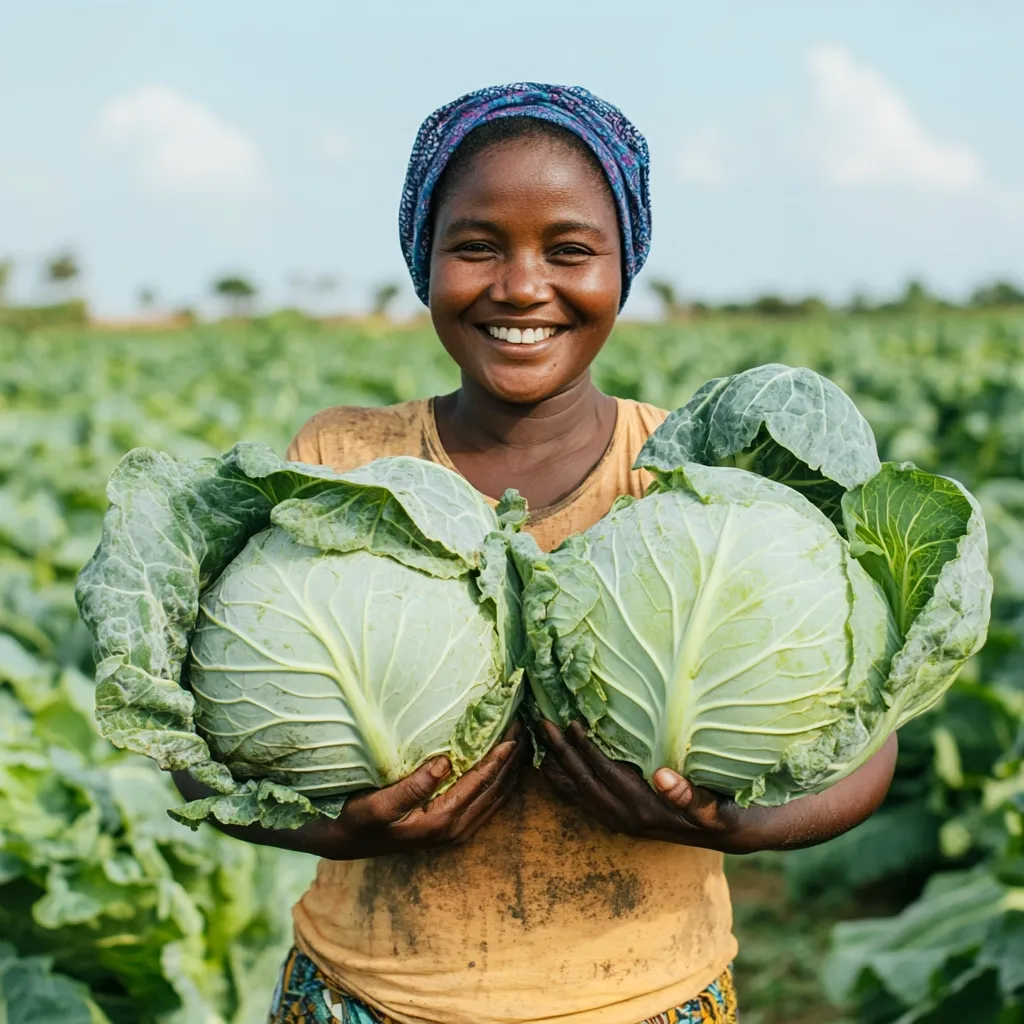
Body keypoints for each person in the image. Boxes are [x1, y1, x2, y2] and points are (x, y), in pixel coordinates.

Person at [174, 82, 898, 1024]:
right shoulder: (337, 462)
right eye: (475, 246)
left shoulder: (699, 473)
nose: (521, 286)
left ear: (622, 268)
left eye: (570, 250)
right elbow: (188, 745)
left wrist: (738, 824)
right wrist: (337, 829)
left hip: (649, 998)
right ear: (423, 262)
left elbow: (872, 739)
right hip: (367, 994)